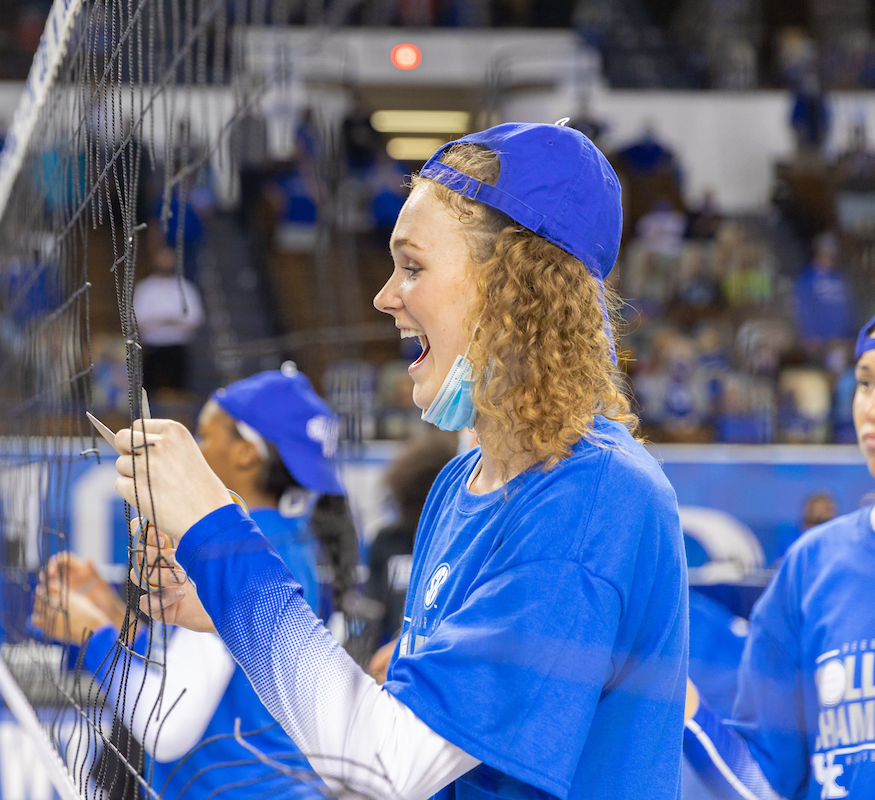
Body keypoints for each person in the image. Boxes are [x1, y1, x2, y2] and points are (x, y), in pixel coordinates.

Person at [98, 123, 689, 798]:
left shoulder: (592, 496)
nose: (385, 296)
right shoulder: (458, 485)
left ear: (512, 290)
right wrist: (219, 597)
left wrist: (213, 530)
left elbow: (389, 764)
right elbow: (401, 737)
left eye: (413, 267)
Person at [33, 368, 352, 798]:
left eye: (204, 437)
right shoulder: (288, 541)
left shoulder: (235, 555)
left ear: (245, 454)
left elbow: (166, 727)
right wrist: (111, 613)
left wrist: (89, 633)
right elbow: (211, 670)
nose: (195, 453)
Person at [683, 313, 875, 799]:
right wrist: (688, 715)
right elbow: (761, 786)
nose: (871, 407)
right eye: (867, 383)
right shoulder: (810, 570)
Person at [364, 430, 459, 675]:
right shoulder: (387, 541)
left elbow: (370, 618)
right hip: (401, 667)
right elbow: (371, 616)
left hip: (402, 666)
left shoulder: (387, 542)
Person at [133, 232, 204, 394]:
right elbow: (138, 320)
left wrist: (162, 320)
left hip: (177, 347)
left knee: (179, 390)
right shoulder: (145, 288)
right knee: (149, 391)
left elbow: (194, 319)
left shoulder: (186, 287)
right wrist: (169, 320)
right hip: (152, 347)